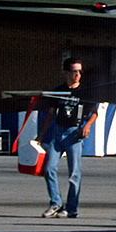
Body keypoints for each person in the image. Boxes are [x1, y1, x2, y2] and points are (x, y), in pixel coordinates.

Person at [39, 58, 98, 218]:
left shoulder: (85, 91)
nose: (77, 75)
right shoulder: (59, 90)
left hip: (74, 134)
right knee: (49, 169)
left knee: (74, 173)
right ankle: (55, 202)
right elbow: (51, 113)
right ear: (66, 73)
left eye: (80, 72)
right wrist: (42, 134)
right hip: (58, 133)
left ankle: (71, 208)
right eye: (74, 71)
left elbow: (94, 113)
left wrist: (87, 126)